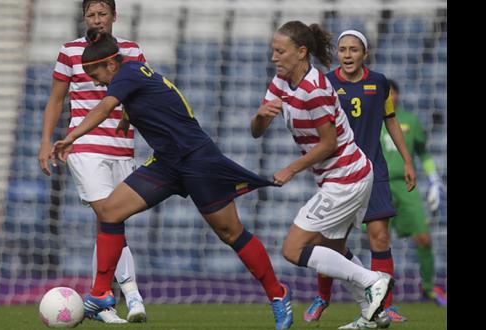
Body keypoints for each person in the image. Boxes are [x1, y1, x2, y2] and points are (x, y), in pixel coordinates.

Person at [52, 29, 294, 330]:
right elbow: (149, 101)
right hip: (167, 162)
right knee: (110, 212)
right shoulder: (133, 74)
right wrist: (130, 117)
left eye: (95, 73)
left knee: (231, 233)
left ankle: (278, 294)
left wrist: (70, 137)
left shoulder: (127, 72)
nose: (95, 80)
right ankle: (101, 293)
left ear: (111, 64)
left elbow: (103, 108)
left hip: (197, 160)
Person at [250, 20, 393, 330]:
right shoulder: (280, 81)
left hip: (346, 177)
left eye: (280, 51)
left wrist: (290, 169)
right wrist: (260, 116)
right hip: (344, 176)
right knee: (334, 250)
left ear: (302, 52)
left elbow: (328, 144)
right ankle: (374, 314)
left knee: (292, 249)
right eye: (273, 50)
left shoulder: (314, 89)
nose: (274, 57)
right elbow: (257, 133)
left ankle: (372, 279)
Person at [38, 0, 146, 323]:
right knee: (108, 215)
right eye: (91, 15)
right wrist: (46, 142)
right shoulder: (69, 52)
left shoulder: (131, 50)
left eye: (102, 14)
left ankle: (103, 302)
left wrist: (130, 118)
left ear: (115, 16)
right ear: (84, 18)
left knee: (110, 224)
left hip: (122, 148)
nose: (96, 20)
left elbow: (139, 94)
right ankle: (132, 292)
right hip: (84, 146)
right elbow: (56, 99)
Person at [303, 29, 416, 326]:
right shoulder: (327, 84)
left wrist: (407, 161)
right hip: (341, 172)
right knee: (330, 241)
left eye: (354, 49)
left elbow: (390, 120)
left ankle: (384, 307)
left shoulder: (378, 82)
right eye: (343, 50)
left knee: (379, 237)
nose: (348, 54)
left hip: (374, 170)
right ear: (338, 54)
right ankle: (322, 298)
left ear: (364, 54)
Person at [381, 79, 447, 306]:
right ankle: (379, 293)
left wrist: (433, 178)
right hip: (379, 186)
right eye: (386, 94)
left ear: (398, 96)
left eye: (393, 94)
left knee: (424, 237)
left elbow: (424, 153)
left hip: (407, 187)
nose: (390, 98)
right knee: (378, 240)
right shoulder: (371, 120)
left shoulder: (410, 120)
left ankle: (429, 288)